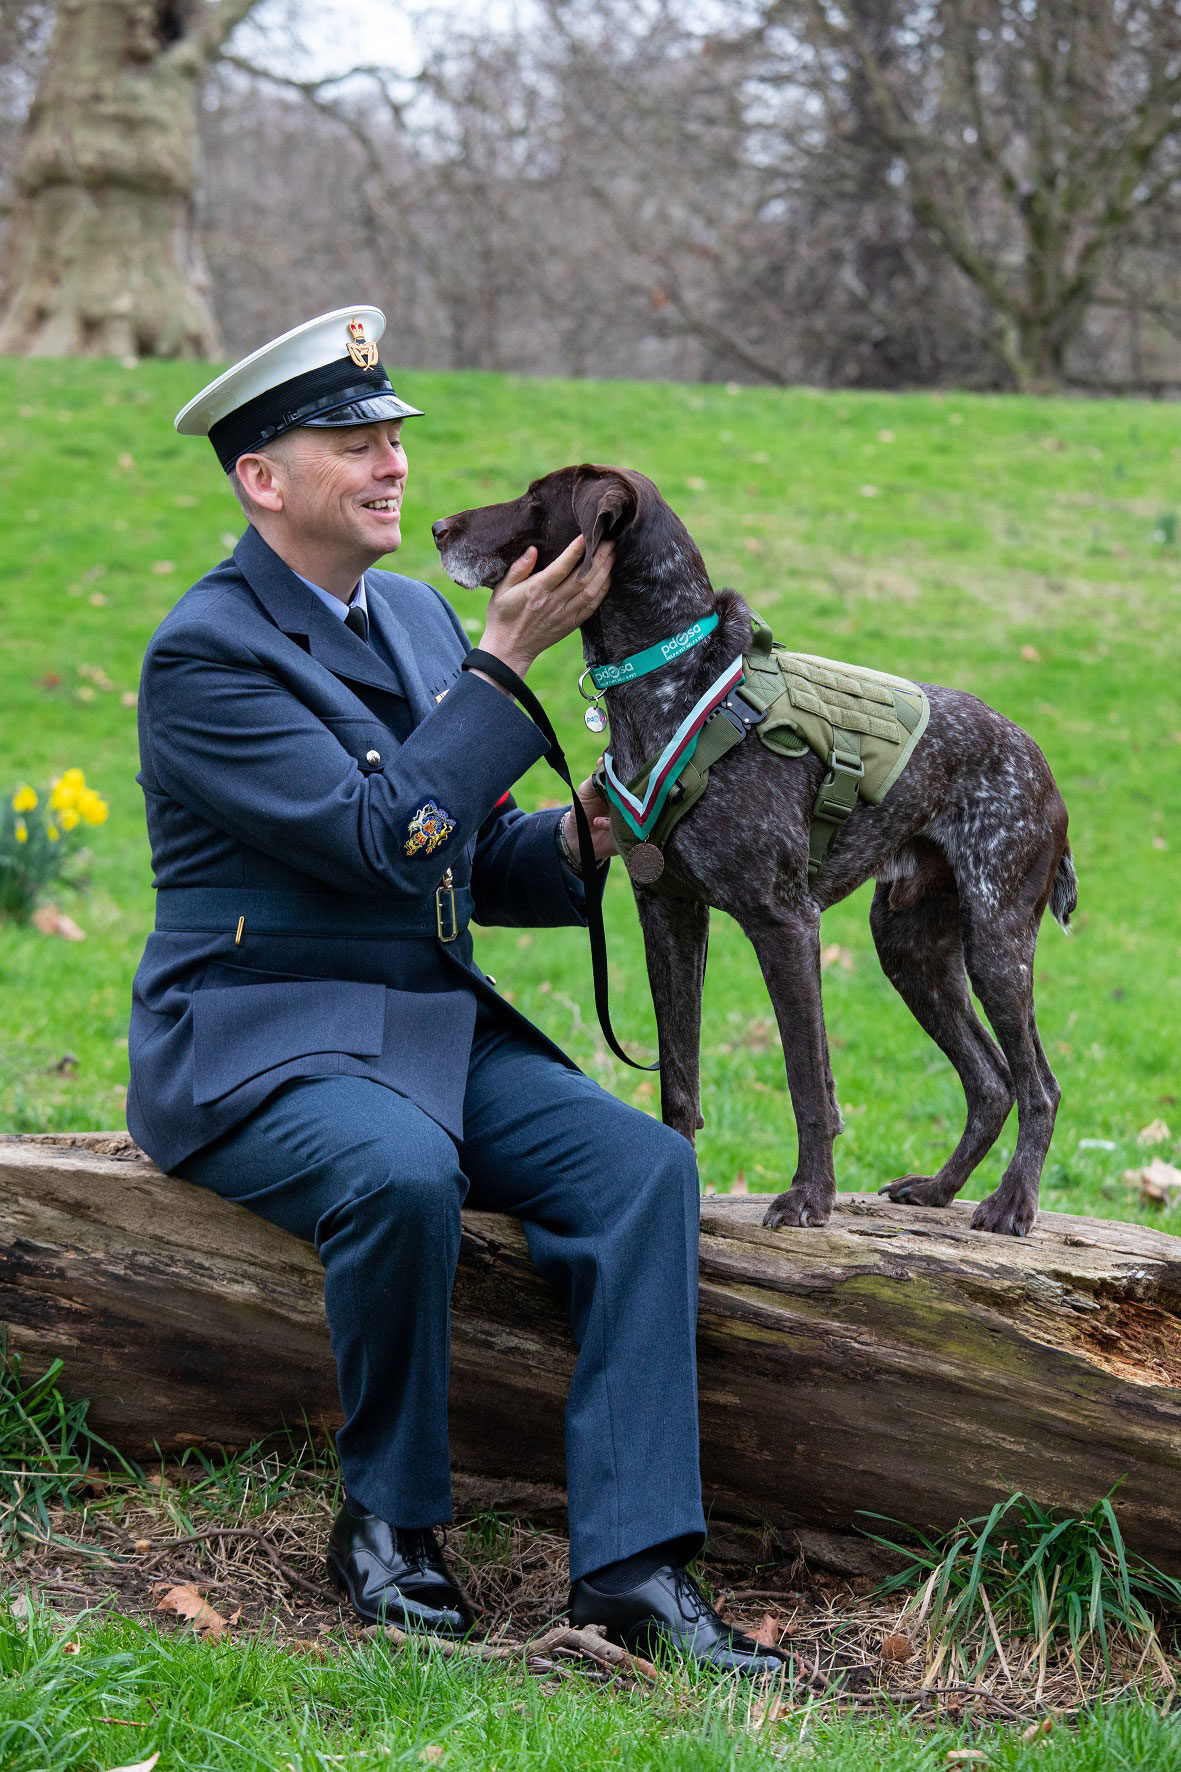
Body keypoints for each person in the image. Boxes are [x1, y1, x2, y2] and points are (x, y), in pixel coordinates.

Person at [127, 306, 781, 1675]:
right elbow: (377, 841)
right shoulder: (208, 655)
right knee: (401, 1174)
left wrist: (582, 837)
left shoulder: (417, 617)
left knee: (639, 1170)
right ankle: (387, 1527)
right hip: (257, 1037)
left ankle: (634, 1569)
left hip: (420, 1021)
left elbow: (465, 854)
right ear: (263, 477)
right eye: (351, 440)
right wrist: (505, 663)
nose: (390, 465)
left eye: (393, 438)